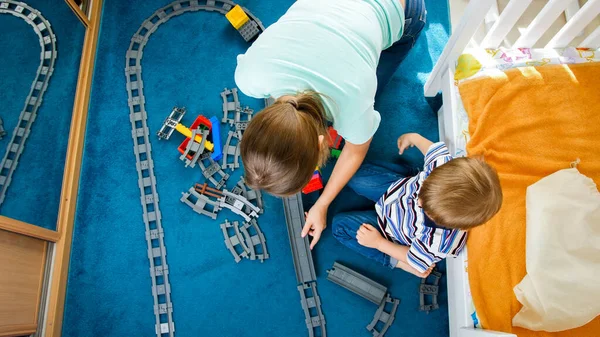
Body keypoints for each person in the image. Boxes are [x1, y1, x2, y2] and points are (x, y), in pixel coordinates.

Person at [235, 0, 427, 249]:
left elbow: (355, 150)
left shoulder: (353, 104)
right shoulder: (249, 76)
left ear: (319, 141)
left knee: (376, 78)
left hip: (405, 8)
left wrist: (322, 203)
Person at [332, 133, 503, 277]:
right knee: (351, 174)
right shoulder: (442, 168)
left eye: (427, 211)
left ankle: (396, 263)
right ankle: (407, 173)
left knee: (340, 226)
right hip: (396, 190)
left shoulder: (437, 241)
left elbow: (413, 256)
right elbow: (433, 149)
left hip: (390, 232)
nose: (418, 202)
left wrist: (378, 243)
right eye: (424, 193)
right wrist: (413, 138)